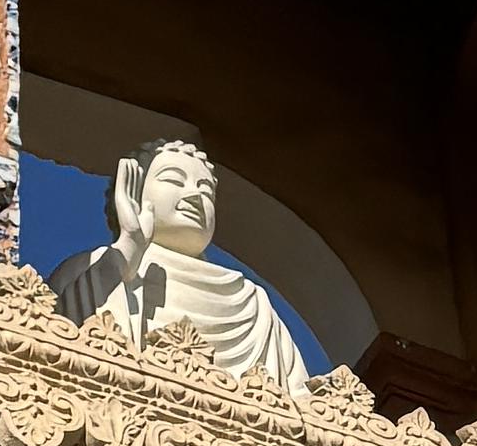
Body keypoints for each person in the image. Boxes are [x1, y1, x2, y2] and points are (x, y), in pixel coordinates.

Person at [49, 137, 312, 397]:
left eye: (206, 191)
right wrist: (128, 248)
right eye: (174, 180)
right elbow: (58, 338)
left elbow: (304, 404)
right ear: (134, 192)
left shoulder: (254, 305)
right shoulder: (94, 267)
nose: (195, 196)